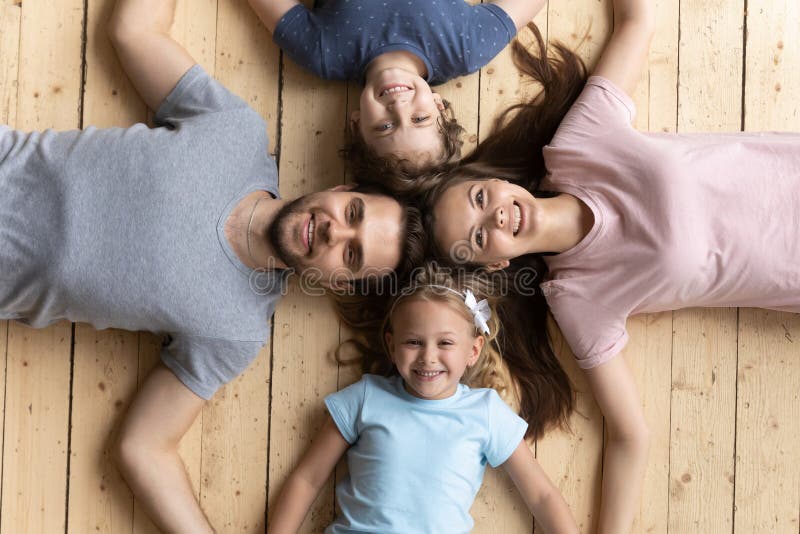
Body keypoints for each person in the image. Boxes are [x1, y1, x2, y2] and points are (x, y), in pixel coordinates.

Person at [0, 0, 423, 531]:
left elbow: (144, 448)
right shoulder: (235, 130)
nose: (336, 230)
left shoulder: (235, 332)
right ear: (340, 190)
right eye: (353, 212)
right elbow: (134, 31)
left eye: (352, 254)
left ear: (338, 281)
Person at [420, 0, 800, 530]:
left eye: (482, 197)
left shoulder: (579, 145)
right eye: (481, 237)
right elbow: (629, 435)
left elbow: (639, 20)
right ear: (495, 262)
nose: (498, 216)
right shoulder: (577, 298)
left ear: (499, 181)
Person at [268, 265, 579, 533]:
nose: (428, 358)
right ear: (392, 346)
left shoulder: (485, 412)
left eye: (445, 342)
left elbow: (542, 496)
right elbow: (307, 479)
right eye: (413, 342)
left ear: (473, 350)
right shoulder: (365, 398)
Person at [247, 0, 546, 175]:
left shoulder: (322, 52)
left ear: (356, 124)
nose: (399, 107)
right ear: (439, 106)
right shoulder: (467, 48)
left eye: (385, 126)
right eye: (420, 119)